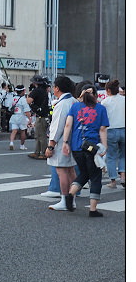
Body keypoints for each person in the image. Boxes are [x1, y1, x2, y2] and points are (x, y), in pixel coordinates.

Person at [61, 82, 109, 216]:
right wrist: (104, 146)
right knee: (95, 176)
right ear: (95, 95)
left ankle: (70, 194)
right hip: (92, 148)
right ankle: (93, 210)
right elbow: (103, 129)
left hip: (77, 146)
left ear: (81, 94)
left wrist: (65, 142)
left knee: (84, 173)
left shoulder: (75, 107)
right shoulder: (100, 109)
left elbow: (68, 125)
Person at [43, 75, 77, 210]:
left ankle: (64, 200)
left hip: (62, 141)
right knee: (71, 170)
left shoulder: (62, 104)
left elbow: (57, 127)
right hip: (73, 140)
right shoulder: (74, 101)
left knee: (62, 171)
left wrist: (51, 145)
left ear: (57, 88)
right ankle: (71, 199)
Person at [101, 79, 125, 189]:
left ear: (108, 90)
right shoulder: (125, 100)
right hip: (124, 129)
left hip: (111, 130)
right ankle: (123, 177)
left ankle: (113, 181)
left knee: (111, 157)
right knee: (123, 155)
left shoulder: (105, 102)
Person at [27, 76, 51, 159]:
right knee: (39, 134)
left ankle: (43, 152)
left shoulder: (36, 91)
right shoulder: (44, 91)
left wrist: (29, 93)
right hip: (43, 114)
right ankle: (38, 152)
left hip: (41, 116)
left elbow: (29, 101)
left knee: (41, 135)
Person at [7, 85, 31, 151]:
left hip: (14, 116)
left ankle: (11, 143)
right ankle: (22, 145)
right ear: (23, 91)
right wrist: (30, 118)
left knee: (14, 130)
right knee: (23, 131)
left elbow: (9, 107)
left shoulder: (13, 98)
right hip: (21, 116)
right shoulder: (23, 99)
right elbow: (27, 110)